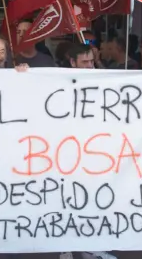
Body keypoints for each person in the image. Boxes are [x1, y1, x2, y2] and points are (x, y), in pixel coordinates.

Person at [57, 43, 116, 259]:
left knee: (92, 198)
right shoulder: (57, 81)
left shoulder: (101, 81)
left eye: (92, 61)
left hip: (95, 151)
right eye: (85, 62)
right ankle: (65, 247)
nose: (91, 66)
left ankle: (92, 244)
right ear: (72, 63)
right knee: (67, 199)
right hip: (66, 153)